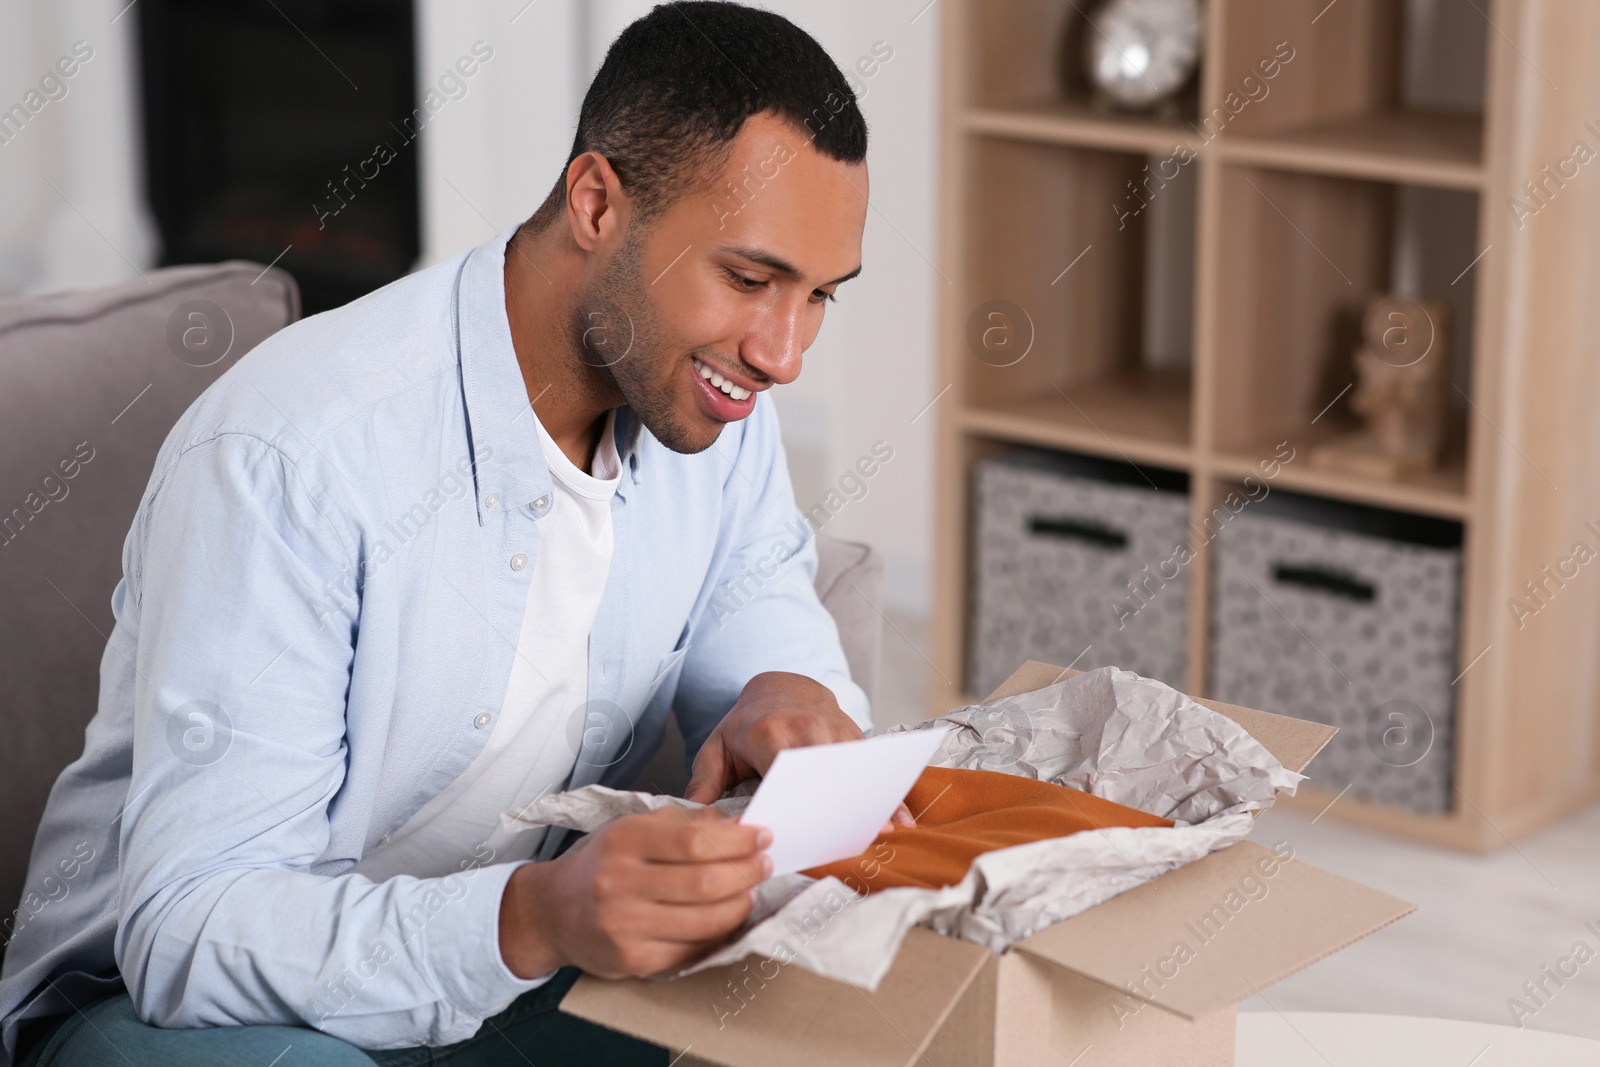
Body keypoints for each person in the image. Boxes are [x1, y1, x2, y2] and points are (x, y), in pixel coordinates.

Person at [0, 3, 902, 1063]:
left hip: (488, 974)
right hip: (193, 1014)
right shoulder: (294, 454)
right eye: (749, 279)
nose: (783, 351)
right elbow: (189, 933)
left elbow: (755, 587)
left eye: (819, 295)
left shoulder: (709, 404)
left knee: (846, 1018)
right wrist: (532, 916)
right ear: (598, 202)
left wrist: (782, 688)